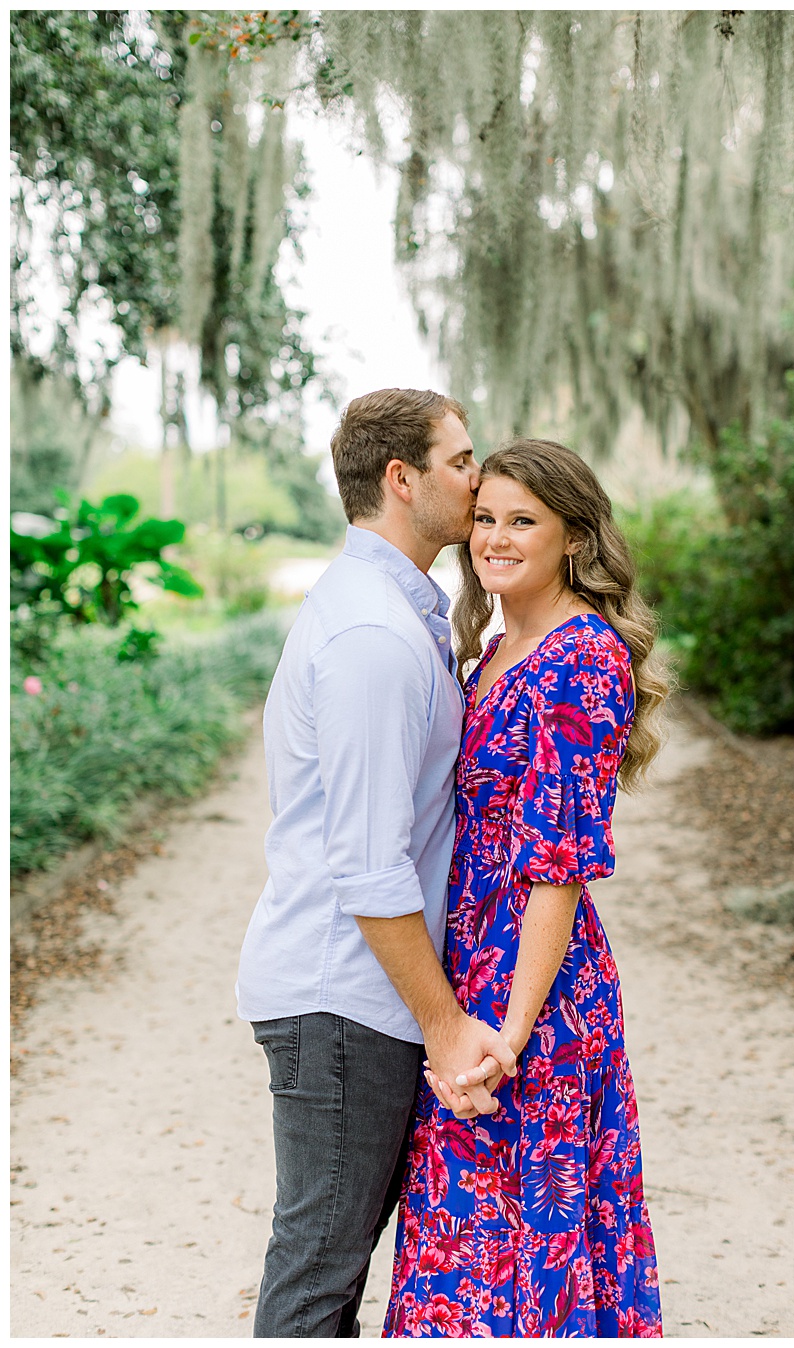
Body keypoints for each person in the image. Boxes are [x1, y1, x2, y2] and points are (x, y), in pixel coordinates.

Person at [237, 388, 519, 1336]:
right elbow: (368, 866)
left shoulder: (401, 616)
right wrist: (444, 1027)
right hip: (342, 999)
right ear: (401, 480)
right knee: (318, 1280)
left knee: (332, 1269)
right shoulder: (371, 637)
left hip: (358, 999)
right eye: (459, 460)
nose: (478, 478)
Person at [382, 438, 669, 1338]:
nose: (494, 539)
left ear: (573, 537)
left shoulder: (582, 657)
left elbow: (559, 870)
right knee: (469, 1243)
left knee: (520, 1244)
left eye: (523, 521)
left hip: (533, 1000)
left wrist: (509, 1030)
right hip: (473, 974)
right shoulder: (502, 642)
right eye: (484, 519)